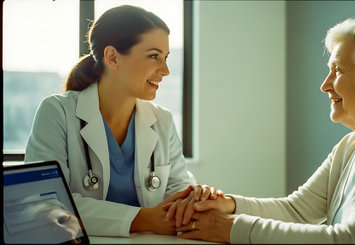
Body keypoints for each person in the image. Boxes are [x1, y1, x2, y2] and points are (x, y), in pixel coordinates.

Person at [164, 16, 355, 243]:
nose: (325, 85)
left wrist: (230, 228)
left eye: (338, 71)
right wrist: (227, 205)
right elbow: (297, 210)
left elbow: (353, 239)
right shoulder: (350, 146)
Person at [25, 5, 220, 237]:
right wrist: (143, 219)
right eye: (154, 56)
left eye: (165, 58)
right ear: (113, 57)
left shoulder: (162, 120)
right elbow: (45, 202)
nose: (166, 70)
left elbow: (177, 189)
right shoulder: (57, 112)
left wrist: (193, 200)